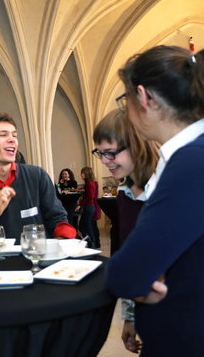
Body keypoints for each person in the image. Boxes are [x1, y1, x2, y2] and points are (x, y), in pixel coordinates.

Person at [105, 45, 204, 356]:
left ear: (144, 97)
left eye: (126, 100)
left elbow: (127, 273)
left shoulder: (191, 161)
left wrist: (138, 277)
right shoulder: (185, 155)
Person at [93, 108, 159, 354]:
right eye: (100, 153)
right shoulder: (125, 192)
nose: (104, 161)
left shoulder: (166, 185)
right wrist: (130, 317)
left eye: (110, 153)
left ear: (137, 144)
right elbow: (132, 257)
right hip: (147, 305)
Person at [0, 111, 76, 248]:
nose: (12, 139)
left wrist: (55, 248)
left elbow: (59, 221)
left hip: (38, 263)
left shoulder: (37, 176)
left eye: (14, 135)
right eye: (3, 135)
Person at [76, 166, 100, 248]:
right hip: (89, 207)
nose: (81, 174)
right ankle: (91, 242)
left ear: (86, 173)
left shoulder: (89, 183)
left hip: (89, 207)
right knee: (84, 226)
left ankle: (91, 243)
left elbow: (90, 197)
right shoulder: (89, 183)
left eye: (82, 173)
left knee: (84, 226)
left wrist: (80, 205)